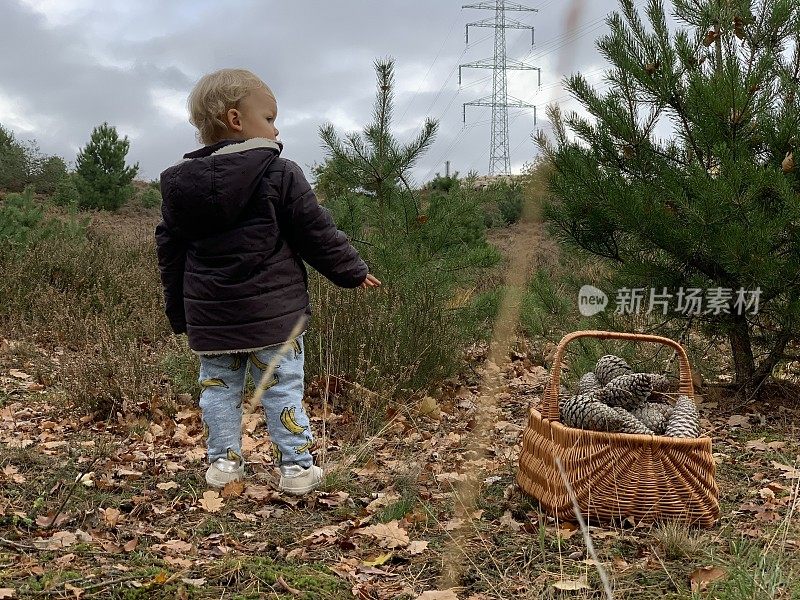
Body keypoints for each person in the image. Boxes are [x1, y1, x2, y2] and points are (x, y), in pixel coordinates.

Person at [155, 68, 380, 495]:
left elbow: (171, 256)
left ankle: (223, 465)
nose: (277, 128)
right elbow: (314, 231)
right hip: (273, 318)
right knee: (280, 388)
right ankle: (295, 470)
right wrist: (351, 270)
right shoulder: (279, 172)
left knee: (218, 391)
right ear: (236, 120)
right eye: (271, 118)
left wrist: (181, 314)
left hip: (212, 319)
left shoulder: (180, 187)